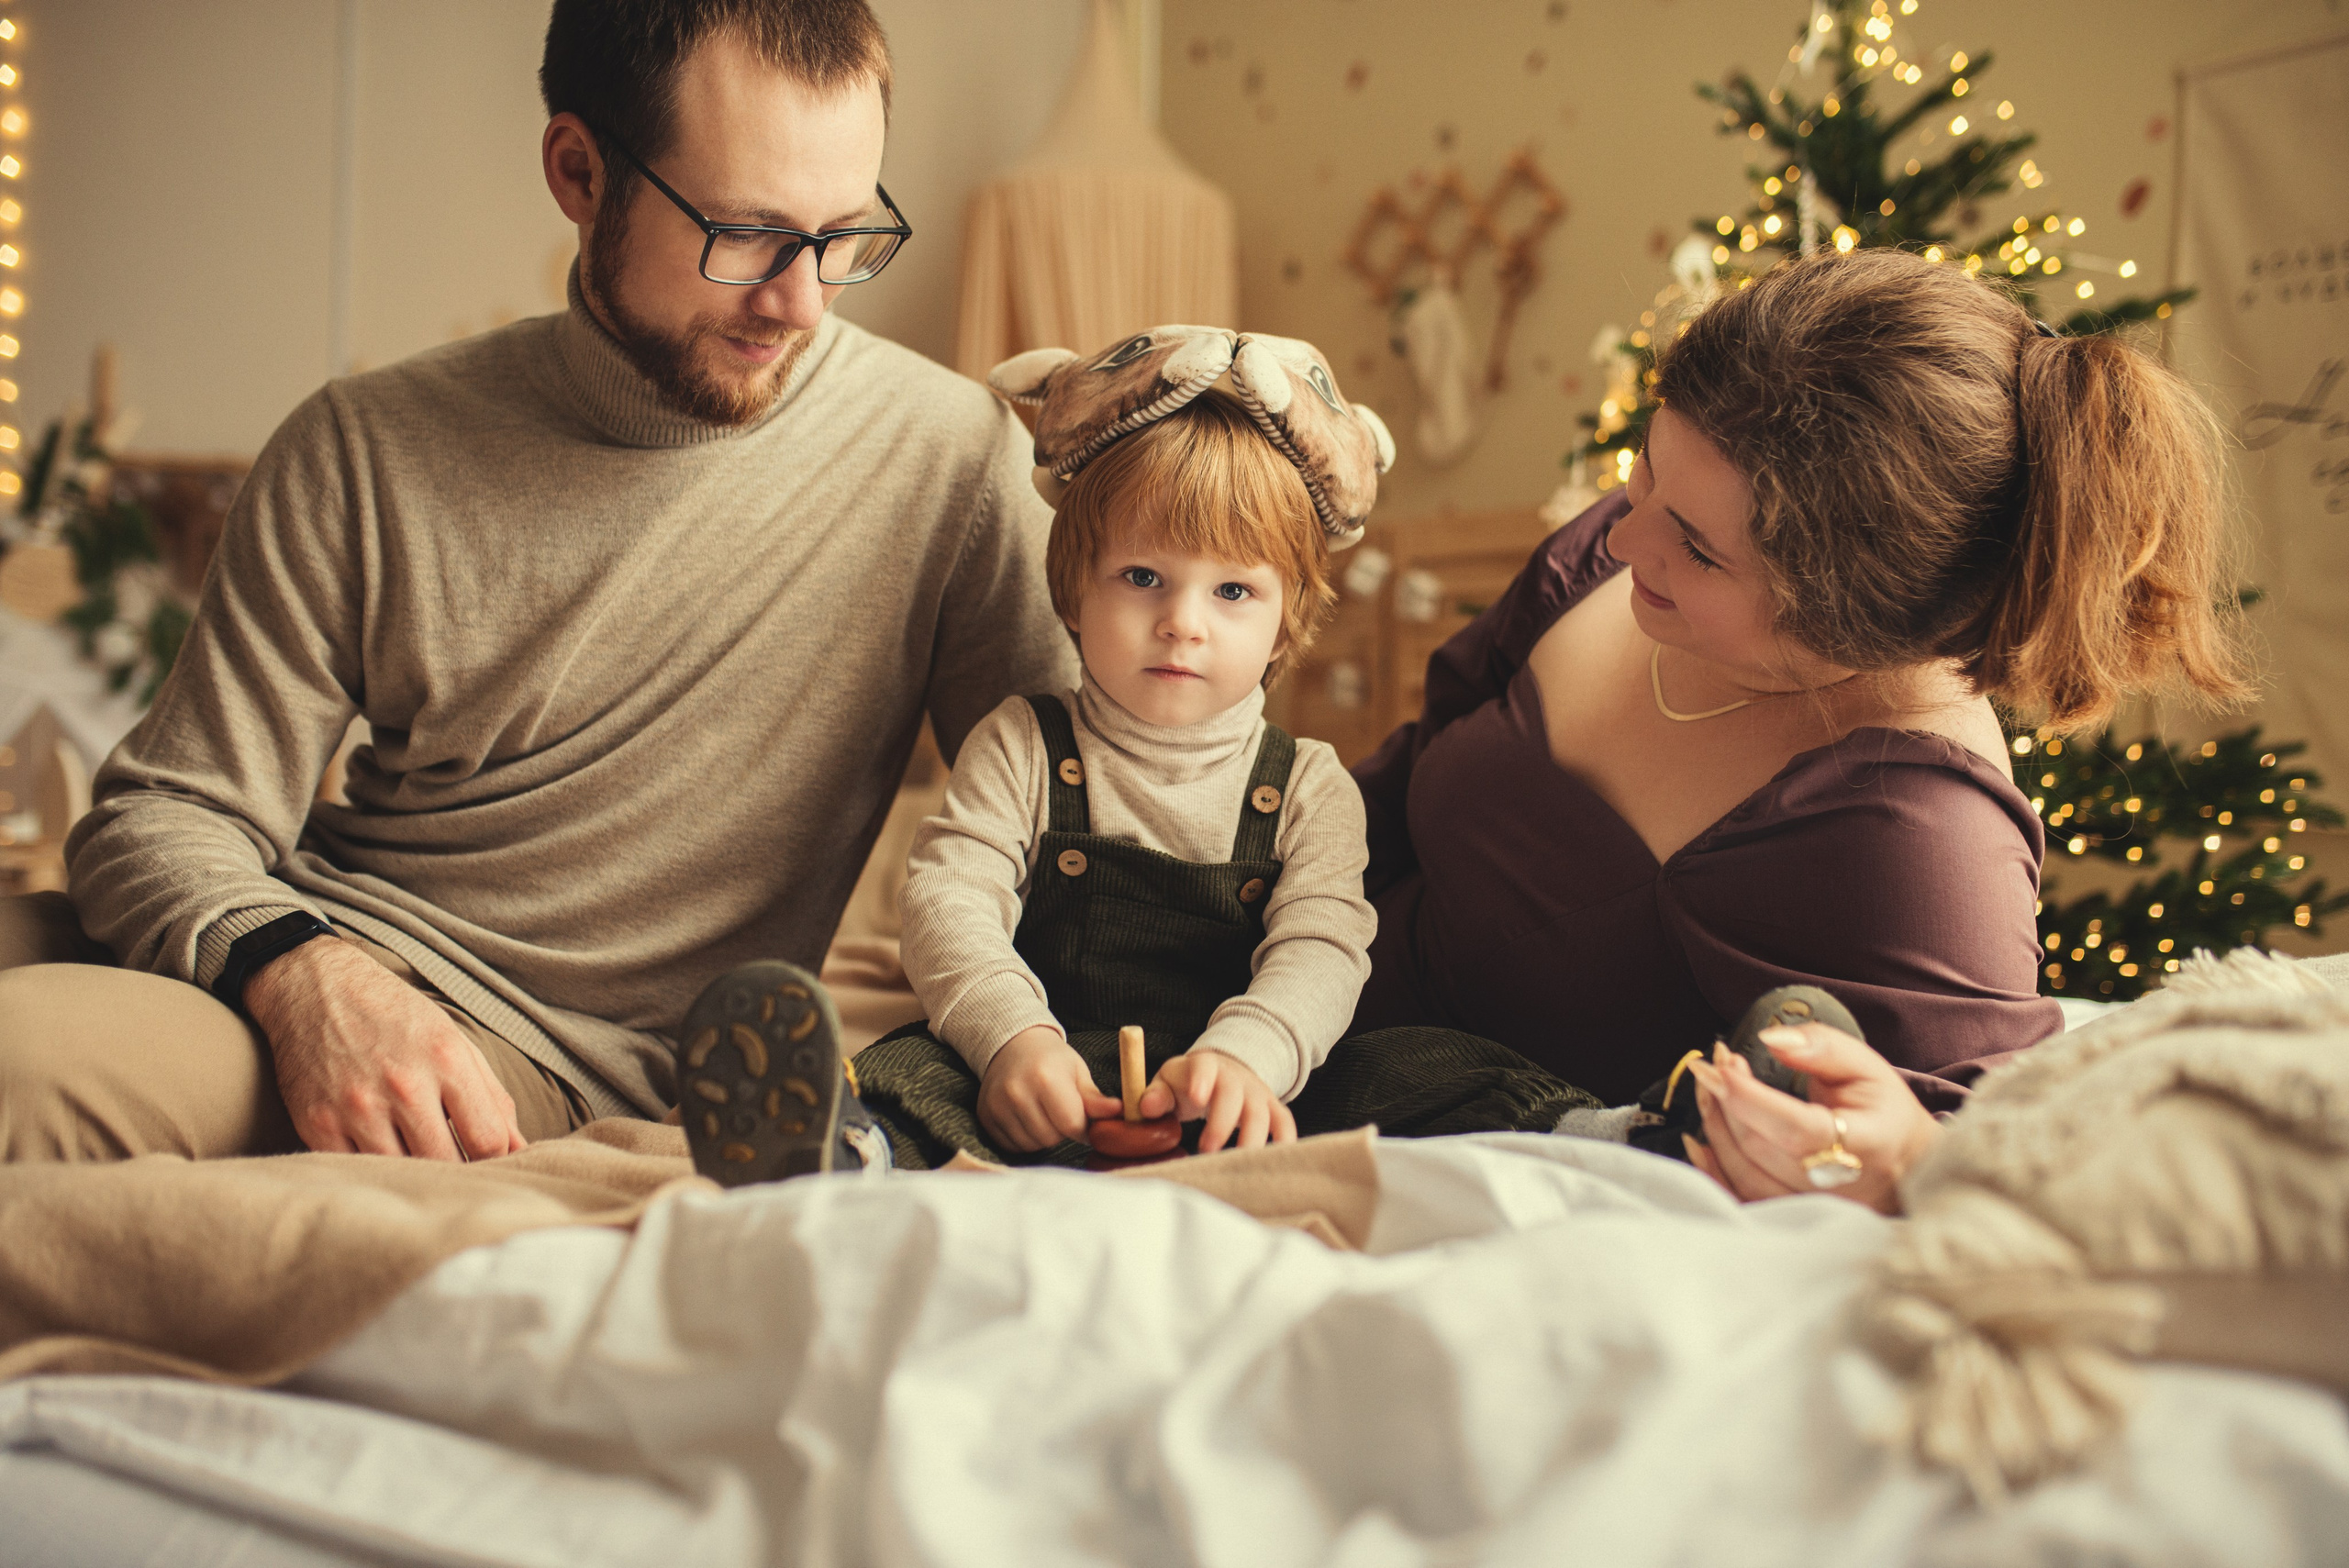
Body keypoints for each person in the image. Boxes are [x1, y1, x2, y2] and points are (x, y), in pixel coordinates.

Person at [0, 0, 1074, 1165]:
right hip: (301, 958)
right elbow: (162, 816)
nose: (802, 301)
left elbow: (1102, 830)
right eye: (749, 236)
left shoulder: (954, 461)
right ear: (578, 170)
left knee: (17, 1067)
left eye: (842, 235)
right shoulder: (364, 445)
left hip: (532, 1059)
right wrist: (307, 976)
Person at [1351, 247, 2248, 1164]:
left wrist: (1885, 1162)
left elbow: (1977, 1159)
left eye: (1698, 549)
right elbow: (1394, 780)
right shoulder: (1606, 562)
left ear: (1849, 621)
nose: (1625, 533)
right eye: (1648, 466)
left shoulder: (1913, 834)